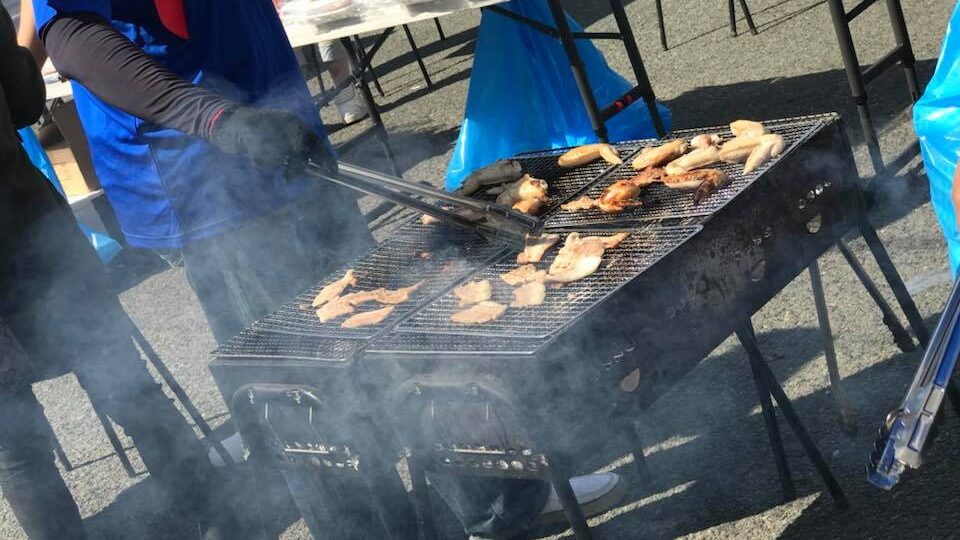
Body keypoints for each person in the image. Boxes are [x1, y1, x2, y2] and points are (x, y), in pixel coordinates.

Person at [0, 7, 242, 538]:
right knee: (120, 380)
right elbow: (23, 101)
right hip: (20, 225)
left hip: (21, 225)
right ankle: (216, 515)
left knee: (14, 444)